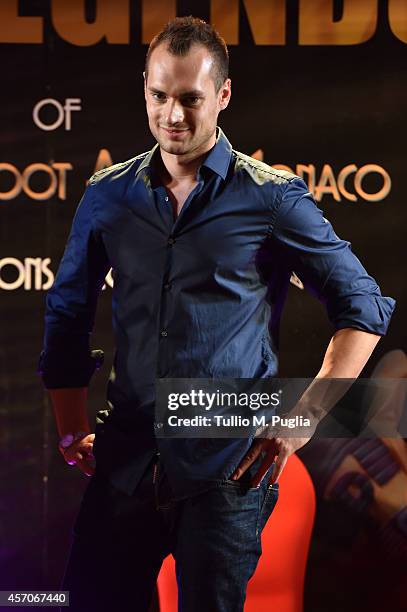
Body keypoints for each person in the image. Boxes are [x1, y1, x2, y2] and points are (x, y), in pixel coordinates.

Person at [38, 15, 395, 612]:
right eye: (159, 96)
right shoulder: (107, 194)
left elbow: (364, 307)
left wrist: (303, 419)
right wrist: (71, 423)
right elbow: (67, 311)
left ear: (223, 96)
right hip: (125, 460)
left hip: (230, 471)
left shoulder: (271, 197)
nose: (172, 115)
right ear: (144, 87)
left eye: (190, 99)